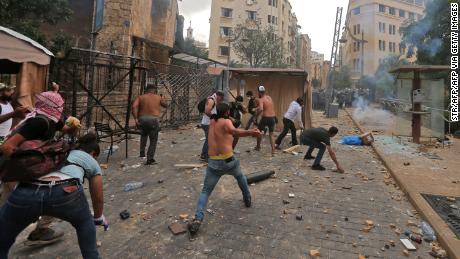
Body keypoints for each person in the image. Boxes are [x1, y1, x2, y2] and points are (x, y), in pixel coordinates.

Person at [0, 133, 106, 259]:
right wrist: (98, 217)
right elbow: (98, 197)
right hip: (65, 191)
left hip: (27, 191)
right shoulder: (90, 160)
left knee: (3, 237)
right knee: (84, 222)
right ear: (93, 153)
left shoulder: (60, 150)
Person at [0, 91, 79, 246]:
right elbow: (7, 147)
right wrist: (25, 167)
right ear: (51, 106)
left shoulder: (52, 120)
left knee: (55, 193)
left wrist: (74, 125)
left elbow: (66, 130)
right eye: (59, 105)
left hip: (33, 168)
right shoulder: (38, 122)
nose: (61, 108)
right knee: (10, 205)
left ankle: (41, 230)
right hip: (17, 169)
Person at [187, 102, 261, 238]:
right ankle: (247, 199)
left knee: (205, 191)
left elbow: (227, 125)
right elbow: (234, 131)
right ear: (227, 112)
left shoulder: (212, 122)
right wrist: (251, 132)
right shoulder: (226, 122)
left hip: (213, 162)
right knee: (240, 177)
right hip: (228, 161)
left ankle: (198, 219)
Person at [132, 83, 167, 165]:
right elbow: (165, 105)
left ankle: (142, 153)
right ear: (154, 90)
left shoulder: (140, 97)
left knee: (144, 134)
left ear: (146, 89)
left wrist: (136, 118)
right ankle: (150, 159)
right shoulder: (158, 97)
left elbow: (134, 107)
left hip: (142, 119)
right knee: (153, 140)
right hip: (153, 120)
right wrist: (163, 99)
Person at [199, 91, 224, 161]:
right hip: (207, 124)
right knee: (209, 140)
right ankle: (205, 156)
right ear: (219, 96)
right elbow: (207, 111)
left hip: (207, 123)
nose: (220, 101)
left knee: (209, 139)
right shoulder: (211, 100)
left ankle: (205, 155)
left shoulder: (212, 99)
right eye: (221, 99)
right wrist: (214, 118)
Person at [254, 86, 276, 155]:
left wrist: (256, 116)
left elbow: (261, 109)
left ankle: (258, 146)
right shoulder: (269, 97)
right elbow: (269, 106)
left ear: (259, 92)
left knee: (258, 132)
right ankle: (273, 151)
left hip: (265, 118)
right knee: (271, 134)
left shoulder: (261, 99)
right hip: (272, 117)